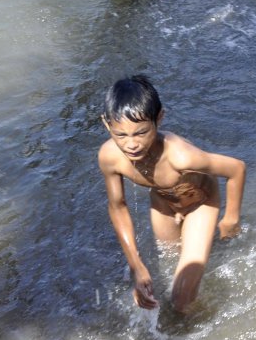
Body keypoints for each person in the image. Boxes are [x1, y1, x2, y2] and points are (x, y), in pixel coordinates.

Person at [98, 75, 246, 313]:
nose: (131, 145)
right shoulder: (109, 158)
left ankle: (204, 317)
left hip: (200, 203)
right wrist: (136, 266)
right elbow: (117, 206)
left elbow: (236, 168)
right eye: (121, 135)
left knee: (180, 298)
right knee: (170, 265)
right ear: (107, 125)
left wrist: (231, 218)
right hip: (163, 204)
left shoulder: (181, 156)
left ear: (159, 118)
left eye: (141, 133)